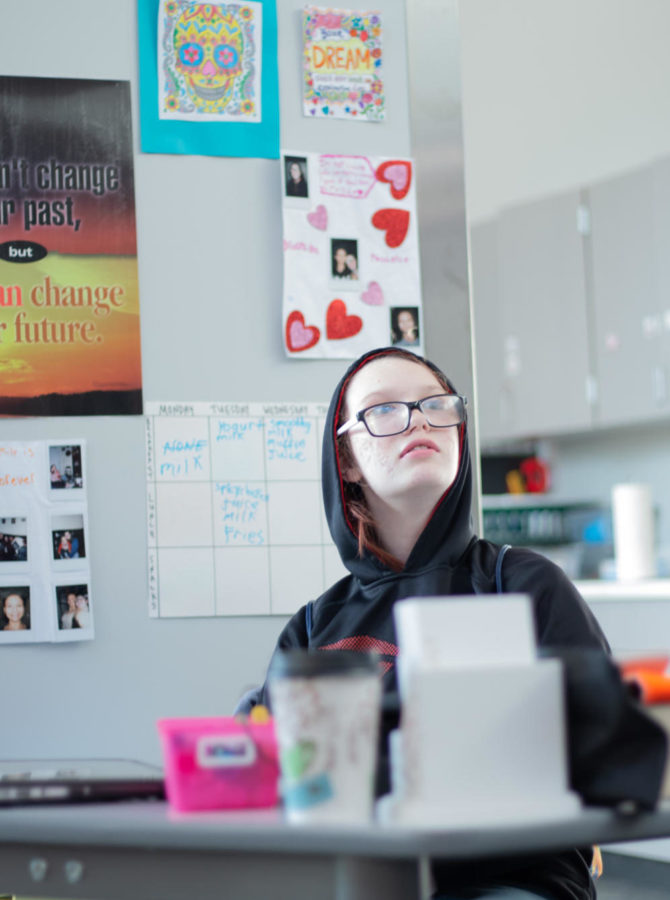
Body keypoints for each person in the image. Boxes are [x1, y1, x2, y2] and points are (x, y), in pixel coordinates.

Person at [249, 347, 609, 900]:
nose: (418, 419)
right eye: (384, 410)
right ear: (345, 460)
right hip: (357, 880)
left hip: (510, 879)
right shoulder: (315, 625)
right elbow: (275, 768)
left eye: (435, 405)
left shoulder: (521, 583)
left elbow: (604, 747)